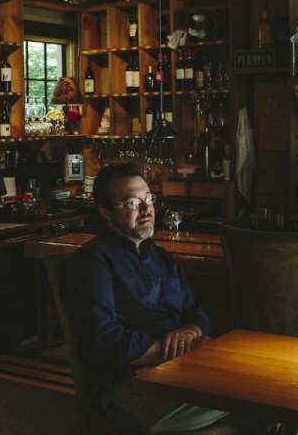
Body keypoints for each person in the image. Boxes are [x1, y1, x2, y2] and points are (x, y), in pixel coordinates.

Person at [60, 163, 236, 433]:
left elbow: (196, 311)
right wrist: (183, 350)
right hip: (128, 385)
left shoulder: (163, 258)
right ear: (105, 212)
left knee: (281, 411)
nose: (146, 209)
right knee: (265, 403)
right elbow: (104, 340)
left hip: (182, 373)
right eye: (132, 202)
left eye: (148, 198)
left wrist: (190, 329)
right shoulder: (93, 262)